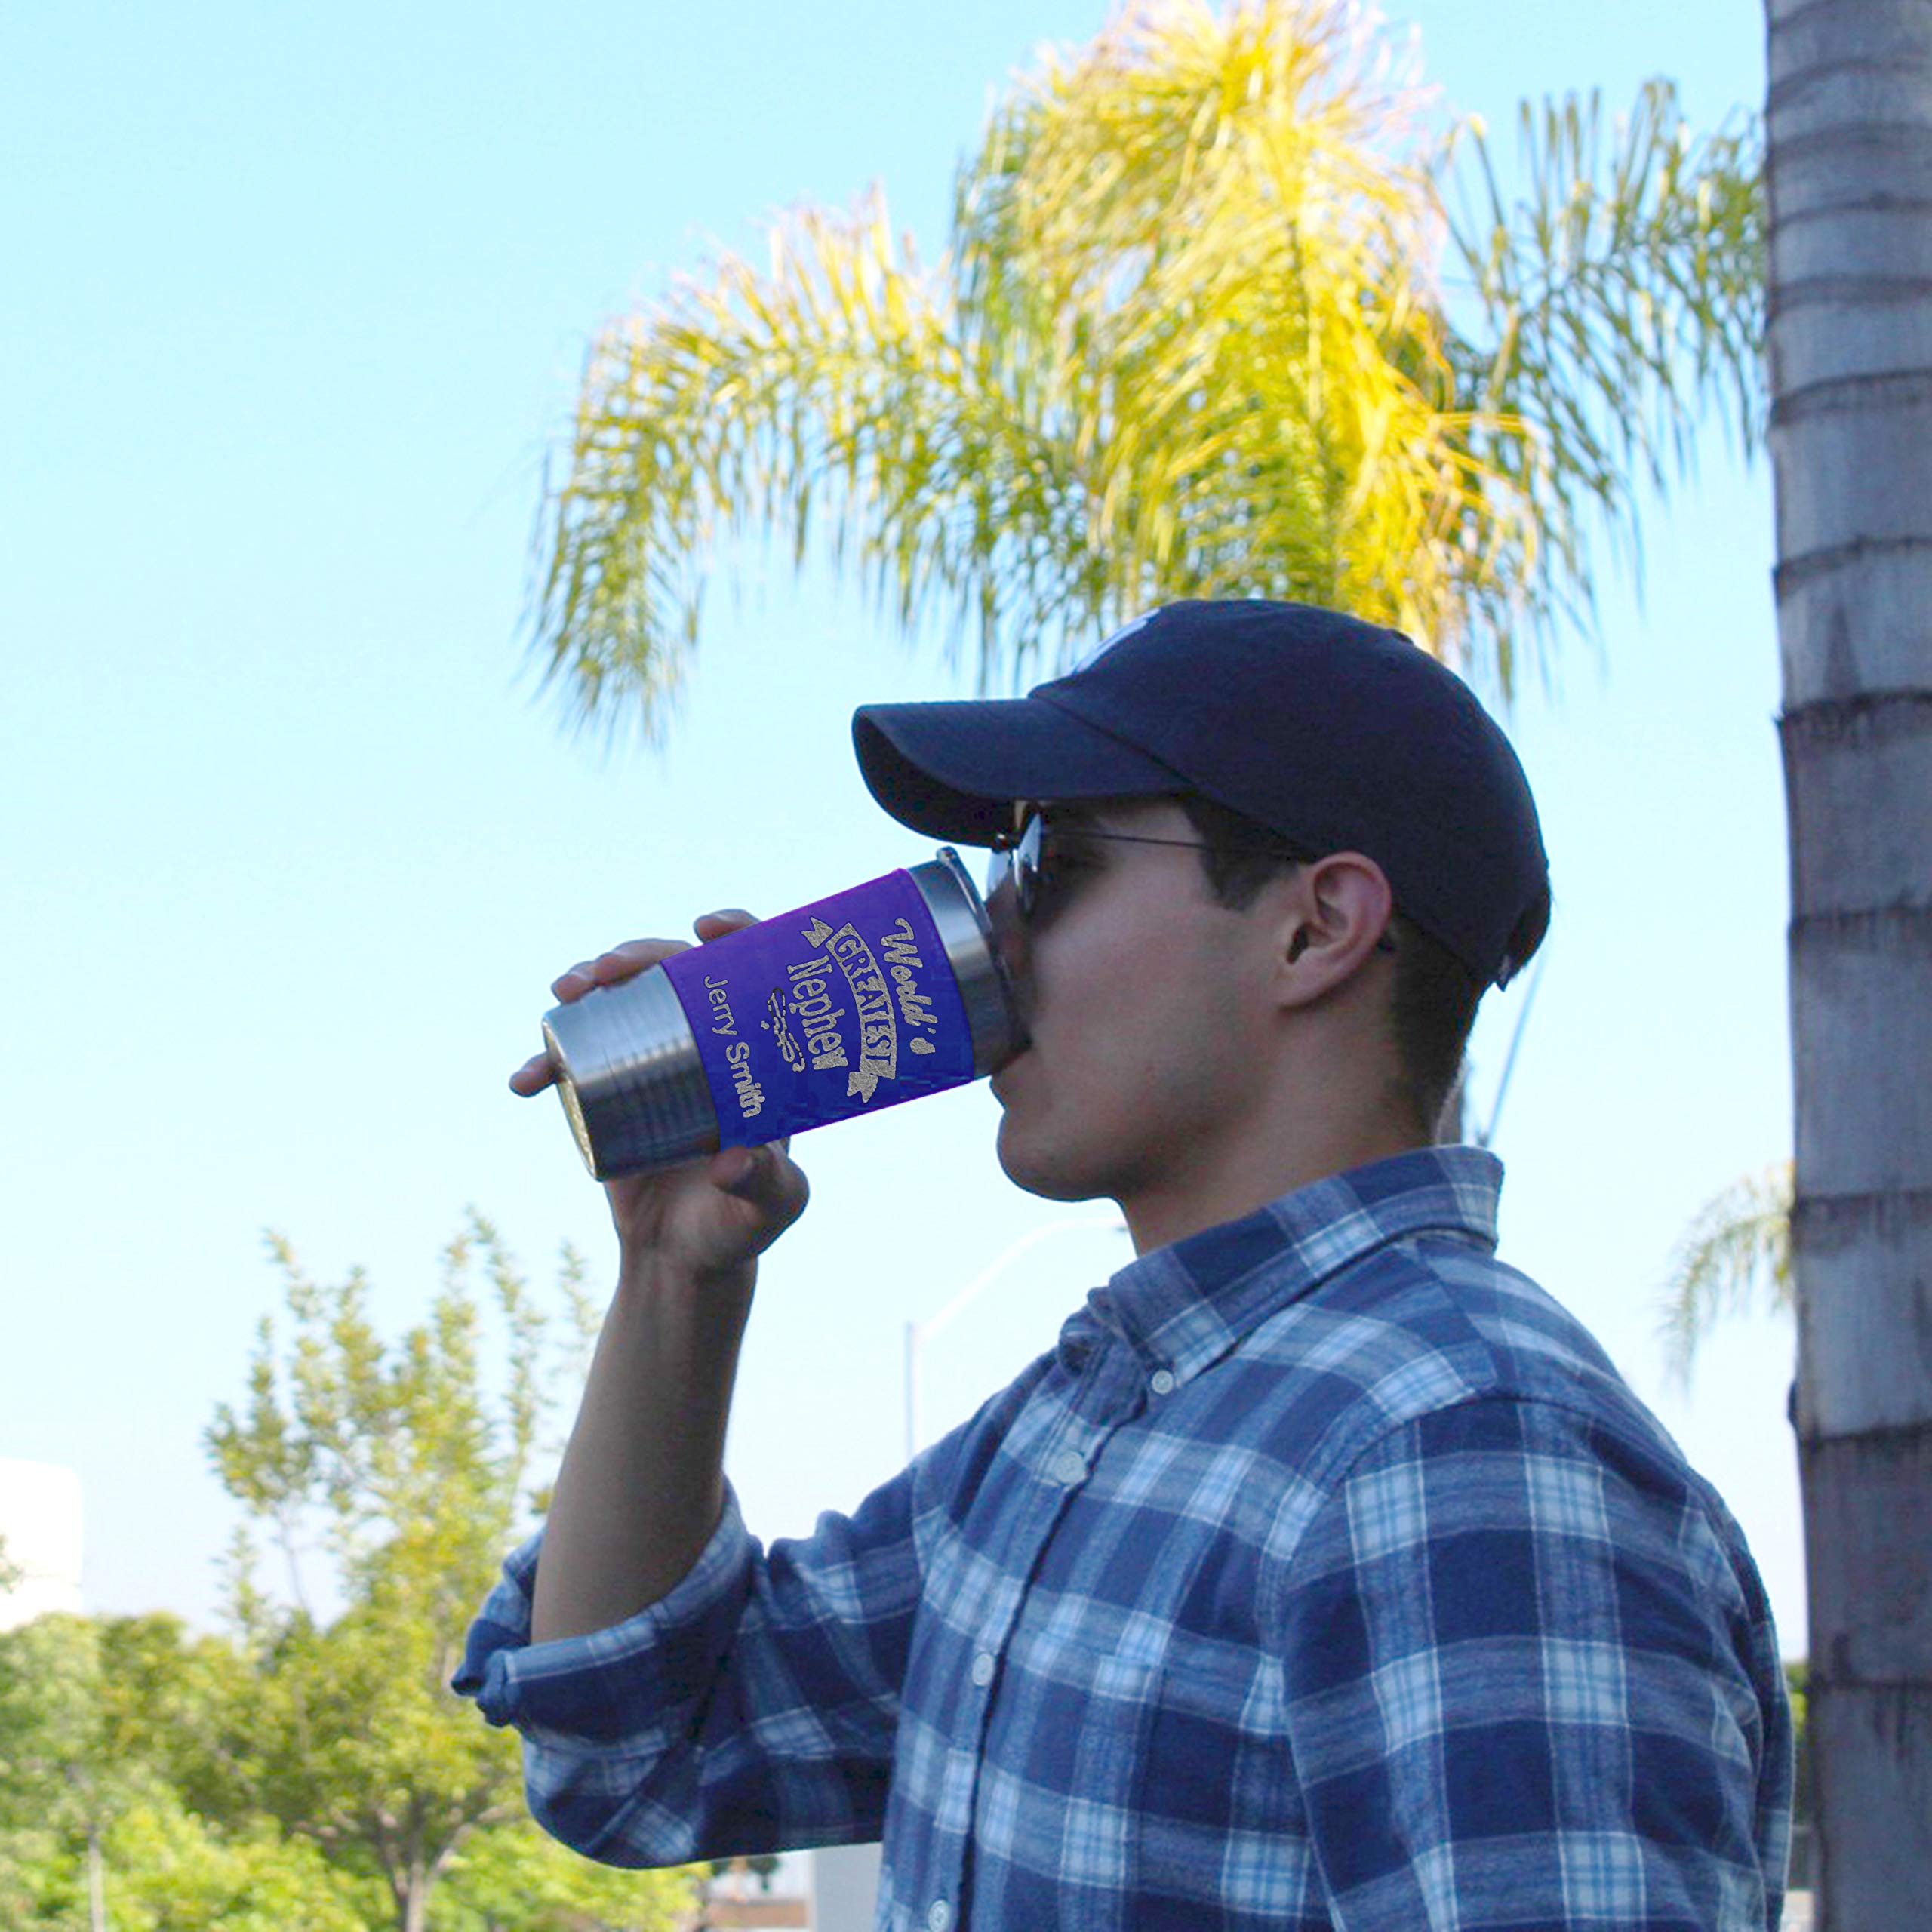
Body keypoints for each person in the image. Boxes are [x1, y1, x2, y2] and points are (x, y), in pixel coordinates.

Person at [456, 600, 1792, 1930]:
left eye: (1053, 860)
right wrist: (676, 1275)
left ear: (1314, 928)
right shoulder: (1087, 1427)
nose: (991, 929)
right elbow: (634, 1756)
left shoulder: (1464, 1457)